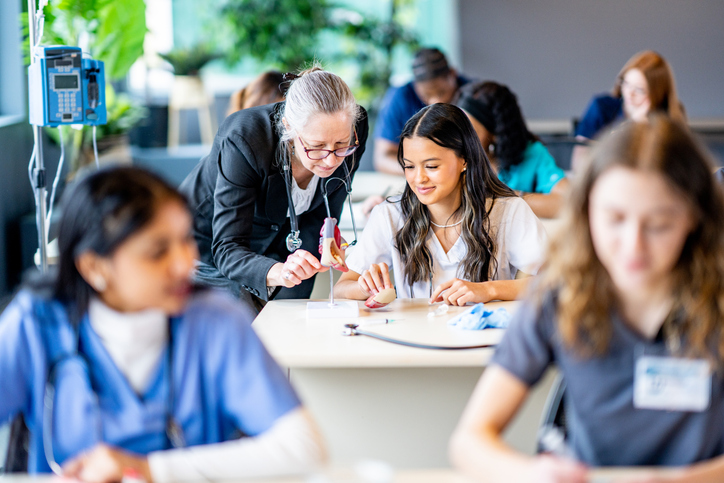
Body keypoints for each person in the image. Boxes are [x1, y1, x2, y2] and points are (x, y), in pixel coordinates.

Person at [0, 167, 326, 482]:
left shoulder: (215, 321)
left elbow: (305, 447)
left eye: (185, 240)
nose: (185, 263)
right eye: (158, 252)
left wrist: (148, 470)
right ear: (94, 267)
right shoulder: (35, 324)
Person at [449, 115, 724, 482]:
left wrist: (675, 482)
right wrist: (534, 474)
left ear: (694, 218)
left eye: (658, 224)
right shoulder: (558, 298)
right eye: (614, 219)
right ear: (587, 213)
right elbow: (469, 441)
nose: (633, 246)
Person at [179, 66, 368, 307]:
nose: (331, 160)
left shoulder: (354, 126)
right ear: (289, 127)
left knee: (293, 319)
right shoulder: (245, 138)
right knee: (245, 323)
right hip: (209, 245)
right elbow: (228, 248)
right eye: (317, 146)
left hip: (283, 237)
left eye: (341, 144)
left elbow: (324, 210)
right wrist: (280, 271)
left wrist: (318, 253)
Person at [334, 103, 547, 306]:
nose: (419, 179)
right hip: (412, 340)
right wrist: (364, 288)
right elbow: (341, 288)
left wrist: (490, 290)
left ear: (464, 159)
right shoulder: (390, 215)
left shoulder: (508, 211)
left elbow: (559, 283)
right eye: (409, 166)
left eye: (431, 166)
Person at [456, 81, 570, 218]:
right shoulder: (452, 157)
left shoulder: (532, 154)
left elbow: (568, 201)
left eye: (470, 131)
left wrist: (507, 198)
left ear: (495, 134)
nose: (459, 138)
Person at [571, 50, 685, 171]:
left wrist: (643, 128)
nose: (629, 93)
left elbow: (675, 170)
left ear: (658, 94)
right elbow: (579, 164)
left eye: (639, 90)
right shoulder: (602, 107)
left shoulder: (669, 116)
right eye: (626, 83)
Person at [374, 48, 469, 175]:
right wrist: (422, 171)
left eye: (441, 93)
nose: (435, 103)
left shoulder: (475, 94)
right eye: (426, 95)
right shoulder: (400, 97)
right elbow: (383, 158)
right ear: (415, 84)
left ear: (453, 74)